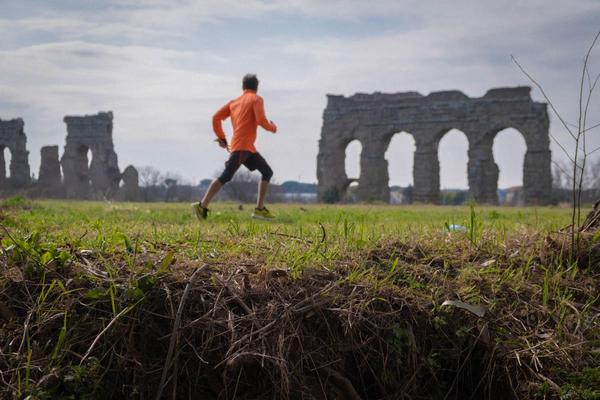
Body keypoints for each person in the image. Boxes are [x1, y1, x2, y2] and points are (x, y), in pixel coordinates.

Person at [192, 74, 278, 220]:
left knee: (267, 172)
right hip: (242, 147)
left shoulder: (234, 103)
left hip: (248, 148)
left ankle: (259, 209)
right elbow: (261, 120)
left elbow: (216, 118)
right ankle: (201, 206)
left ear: (243, 87)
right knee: (226, 176)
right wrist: (273, 128)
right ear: (256, 87)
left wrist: (222, 138)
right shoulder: (256, 99)